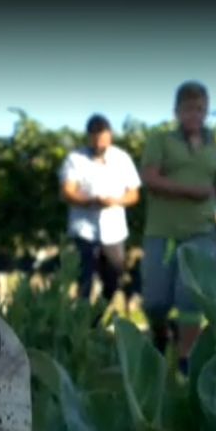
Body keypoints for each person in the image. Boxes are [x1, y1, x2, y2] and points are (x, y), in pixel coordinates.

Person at [139, 81, 216, 373]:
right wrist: (188, 190)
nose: (195, 115)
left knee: (190, 295)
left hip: (202, 230)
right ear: (178, 111)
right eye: (189, 109)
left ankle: (185, 360)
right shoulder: (161, 141)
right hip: (162, 230)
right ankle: (159, 333)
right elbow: (150, 179)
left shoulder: (214, 148)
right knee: (155, 300)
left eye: (201, 109)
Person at [59, 114, 141, 304]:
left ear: (110, 136)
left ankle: (99, 317)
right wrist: (90, 201)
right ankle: (82, 321)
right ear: (89, 137)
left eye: (103, 138)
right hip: (84, 230)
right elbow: (67, 192)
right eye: (95, 138)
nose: (99, 143)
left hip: (114, 231)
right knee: (84, 278)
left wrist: (116, 201)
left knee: (114, 276)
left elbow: (134, 194)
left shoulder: (122, 159)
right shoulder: (75, 159)